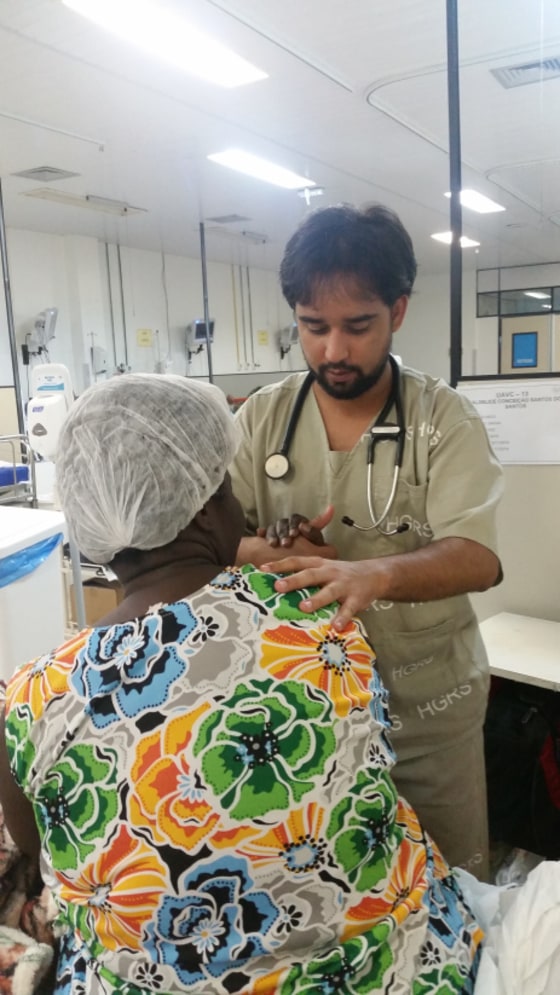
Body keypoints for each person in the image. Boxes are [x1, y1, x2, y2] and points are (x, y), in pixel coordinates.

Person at [0, 373, 483, 994]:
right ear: (205, 506)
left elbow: (47, 859)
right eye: (226, 489)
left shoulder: (28, 697)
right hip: (389, 972)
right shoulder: (317, 622)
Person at [230, 204, 504, 881]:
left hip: (427, 712)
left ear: (399, 311)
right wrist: (266, 552)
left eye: (357, 326)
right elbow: (211, 538)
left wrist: (370, 573)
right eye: (312, 327)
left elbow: (478, 553)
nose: (333, 350)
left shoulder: (444, 418)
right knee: (339, 892)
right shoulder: (263, 417)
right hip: (303, 715)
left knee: (451, 880)